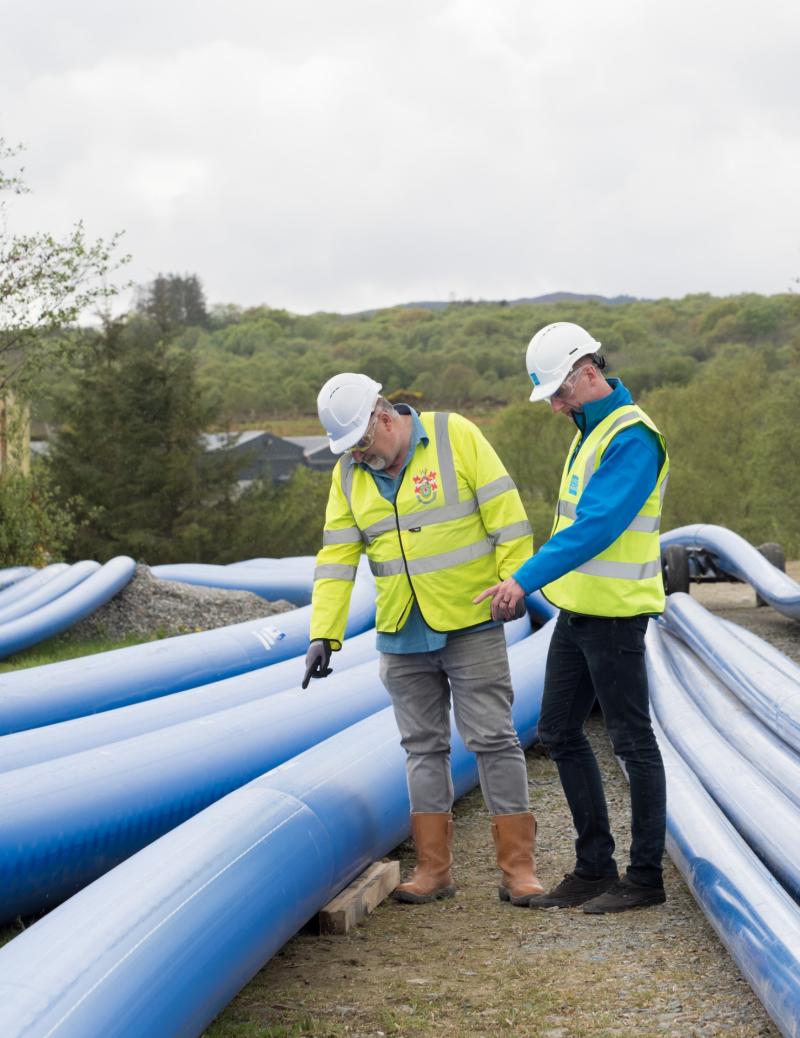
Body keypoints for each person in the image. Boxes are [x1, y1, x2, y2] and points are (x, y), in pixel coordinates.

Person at [303, 372, 544, 907]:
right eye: (349, 451)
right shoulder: (348, 475)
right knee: (421, 748)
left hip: (471, 619)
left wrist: (516, 581)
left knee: (494, 739)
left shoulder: (455, 435)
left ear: (384, 417)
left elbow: (507, 516)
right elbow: (337, 559)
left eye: (363, 445)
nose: (360, 457)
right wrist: (325, 632)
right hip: (401, 630)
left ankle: (519, 870)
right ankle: (433, 870)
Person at [475, 322, 669, 915]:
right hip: (579, 612)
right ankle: (593, 868)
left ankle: (643, 879)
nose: (556, 405)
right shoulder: (588, 430)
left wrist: (522, 580)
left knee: (632, 742)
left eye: (560, 391)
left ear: (589, 371)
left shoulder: (631, 437)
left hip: (615, 617)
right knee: (558, 730)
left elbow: (596, 527)